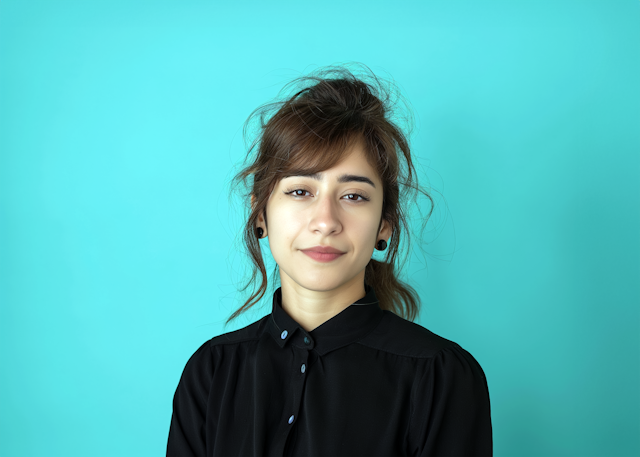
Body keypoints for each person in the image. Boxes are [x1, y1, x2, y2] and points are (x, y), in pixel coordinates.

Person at [166, 65, 492, 457]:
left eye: (353, 196)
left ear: (384, 226)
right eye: (301, 190)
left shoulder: (440, 375)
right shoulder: (212, 371)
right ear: (260, 215)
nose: (325, 222)